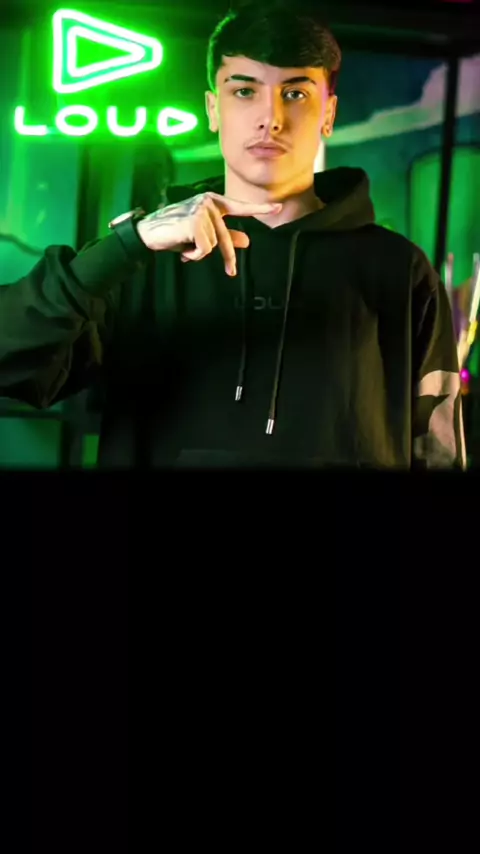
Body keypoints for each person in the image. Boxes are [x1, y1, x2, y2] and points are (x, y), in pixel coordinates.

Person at [0, 0, 466, 468]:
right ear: (213, 108)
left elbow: (439, 450)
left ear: (328, 113)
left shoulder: (399, 268)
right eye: (244, 91)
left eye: (295, 93)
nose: (271, 118)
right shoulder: (142, 259)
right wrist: (126, 245)